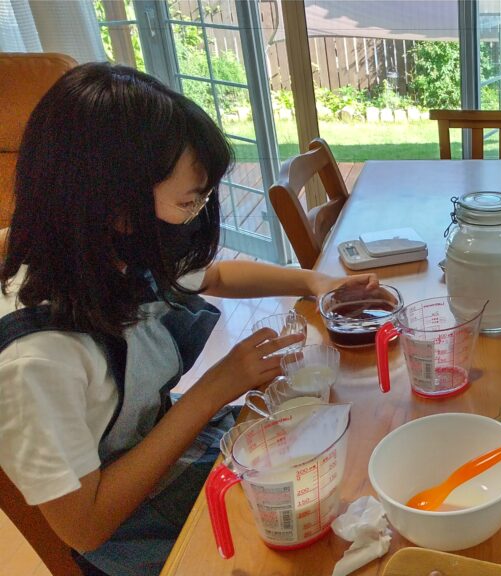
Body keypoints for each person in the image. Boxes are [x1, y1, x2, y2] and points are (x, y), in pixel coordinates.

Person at [0, 63, 376, 575]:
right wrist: (212, 391)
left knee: (347, 464)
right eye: (189, 201)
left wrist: (312, 282)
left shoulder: (110, 252)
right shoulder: (36, 359)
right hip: (136, 535)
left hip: (176, 452)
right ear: (117, 205)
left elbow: (214, 276)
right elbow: (84, 527)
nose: (199, 214)